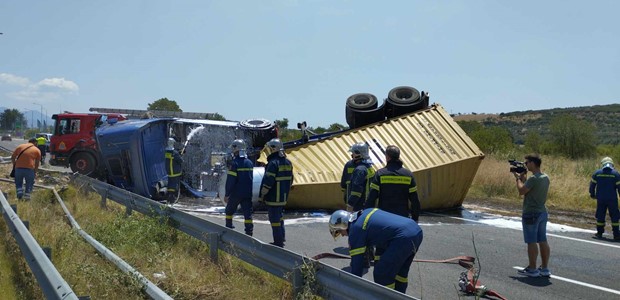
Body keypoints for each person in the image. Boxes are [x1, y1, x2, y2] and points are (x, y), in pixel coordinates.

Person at [328, 208, 423, 294]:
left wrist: (352, 291)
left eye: (340, 231)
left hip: (402, 238)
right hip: (415, 230)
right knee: (400, 274)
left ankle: (388, 297)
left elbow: (357, 267)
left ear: (343, 225)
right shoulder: (366, 212)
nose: (343, 235)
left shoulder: (355, 229)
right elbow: (383, 235)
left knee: (382, 273)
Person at [514, 153, 551, 277]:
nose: (525, 165)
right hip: (542, 212)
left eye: (527, 163)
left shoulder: (534, 179)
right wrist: (523, 178)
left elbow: (521, 191)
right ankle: (545, 268)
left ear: (532, 163)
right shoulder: (545, 177)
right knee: (542, 240)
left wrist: (518, 179)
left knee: (531, 241)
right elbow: (528, 188)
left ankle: (533, 269)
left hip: (531, 213)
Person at [365, 145, 420, 222]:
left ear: (387, 157)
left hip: (384, 217)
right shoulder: (408, 175)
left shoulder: (380, 174)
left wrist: (366, 216)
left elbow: (372, 198)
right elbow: (415, 200)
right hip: (402, 217)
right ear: (398, 156)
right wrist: (415, 218)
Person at [259, 138, 293, 247]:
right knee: (280, 218)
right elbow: (291, 179)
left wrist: (262, 194)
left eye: (270, 148)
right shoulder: (288, 162)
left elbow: (268, 181)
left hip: (273, 197)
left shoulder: (273, 163)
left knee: (274, 220)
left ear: (274, 149)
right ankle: (282, 237)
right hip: (283, 197)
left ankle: (278, 242)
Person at [224, 139, 255, 236]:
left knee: (229, 211)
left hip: (236, 193)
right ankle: (249, 232)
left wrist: (227, 194)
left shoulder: (234, 163)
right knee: (247, 214)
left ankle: (229, 228)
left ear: (236, 148)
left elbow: (230, 181)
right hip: (247, 193)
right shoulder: (249, 162)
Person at [589, 157, 620, 240]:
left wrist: (592, 194)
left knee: (600, 216)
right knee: (615, 217)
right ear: (612, 164)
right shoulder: (616, 174)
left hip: (601, 199)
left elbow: (592, 185)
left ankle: (599, 233)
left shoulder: (597, 173)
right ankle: (616, 235)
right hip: (612, 200)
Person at [340, 142, 375, 212]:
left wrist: (350, 204)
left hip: (358, 205)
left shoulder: (360, 169)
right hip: (368, 204)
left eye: (353, 153)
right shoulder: (369, 167)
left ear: (359, 154)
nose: (352, 155)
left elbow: (356, 190)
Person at [164, 138, 183, 204]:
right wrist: (180, 155)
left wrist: (178, 153)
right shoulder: (175, 153)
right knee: (174, 185)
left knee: (170, 185)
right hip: (175, 172)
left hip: (169, 171)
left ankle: (168, 198)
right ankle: (172, 199)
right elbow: (180, 160)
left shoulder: (167, 151)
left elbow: (174, 157)